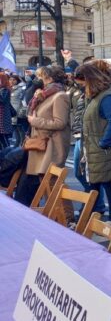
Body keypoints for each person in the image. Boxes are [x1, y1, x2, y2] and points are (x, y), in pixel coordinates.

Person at [15, 66, 71, 212]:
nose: (37, 80)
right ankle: (57, 215)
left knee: (52, 180)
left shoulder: (60, 96)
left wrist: (35, 121)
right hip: (40, 144)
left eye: (40, 76)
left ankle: (67, 217)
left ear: (50, 78)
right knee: (44, 180)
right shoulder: (44, 94)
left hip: (52, 144)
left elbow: (60, 122)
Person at [77, 63, 111, 214]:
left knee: (108, 185)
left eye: (82, 83)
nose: (81, 87)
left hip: (102, 149)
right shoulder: (98, 95)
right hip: (96, 148)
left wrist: (104, 142)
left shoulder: (107, 96)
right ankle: (94, 216)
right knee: (96, 183)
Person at [10, 74, 27, 146]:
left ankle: (22, 145)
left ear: (17, 80)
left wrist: (22, 111)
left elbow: (24, 101)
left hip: (19, 112)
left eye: (14, 80)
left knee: (21, 130)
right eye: (10, 79)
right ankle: (17, 145)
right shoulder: (10, 88)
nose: (11, 81)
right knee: (15, 130)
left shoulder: (22, 88)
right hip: (12, 112)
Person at [0, 73, 14, 150]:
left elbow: (2, 100)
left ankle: (8, 155)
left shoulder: (5, 90)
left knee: (4, 138)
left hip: (3, 117)